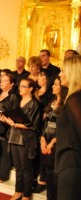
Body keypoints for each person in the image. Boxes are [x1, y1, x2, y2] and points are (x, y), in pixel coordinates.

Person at [1, 78, 41, 200]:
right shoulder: (18, 101)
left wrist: (14, 124)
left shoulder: (34, 104)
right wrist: (6, 121)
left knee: (26, 169)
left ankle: (27, 195)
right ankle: (18, 191)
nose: (20, 88)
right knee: (18, 167)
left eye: (23, 86)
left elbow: (33, 125)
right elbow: (14, 119)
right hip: (14, 137)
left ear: (30, 89)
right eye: (20, 86)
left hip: (26, 139)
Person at [55, 55, 81, 200]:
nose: (59, 74)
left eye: (63, 70)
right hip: (69, 162)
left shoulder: (74, 99)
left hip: (72, 163)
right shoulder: (74, 98)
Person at [40, 76, 67, 200]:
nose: (52, 86)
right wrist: (42, 140)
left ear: (62, 87)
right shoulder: (51, 103)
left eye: (56, 84)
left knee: (56, 174)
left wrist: (51, 144)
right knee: (48, 173)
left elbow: (64, 128)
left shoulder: (66, 105)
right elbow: (45, 123)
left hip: (57, 142)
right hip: (46, 140)